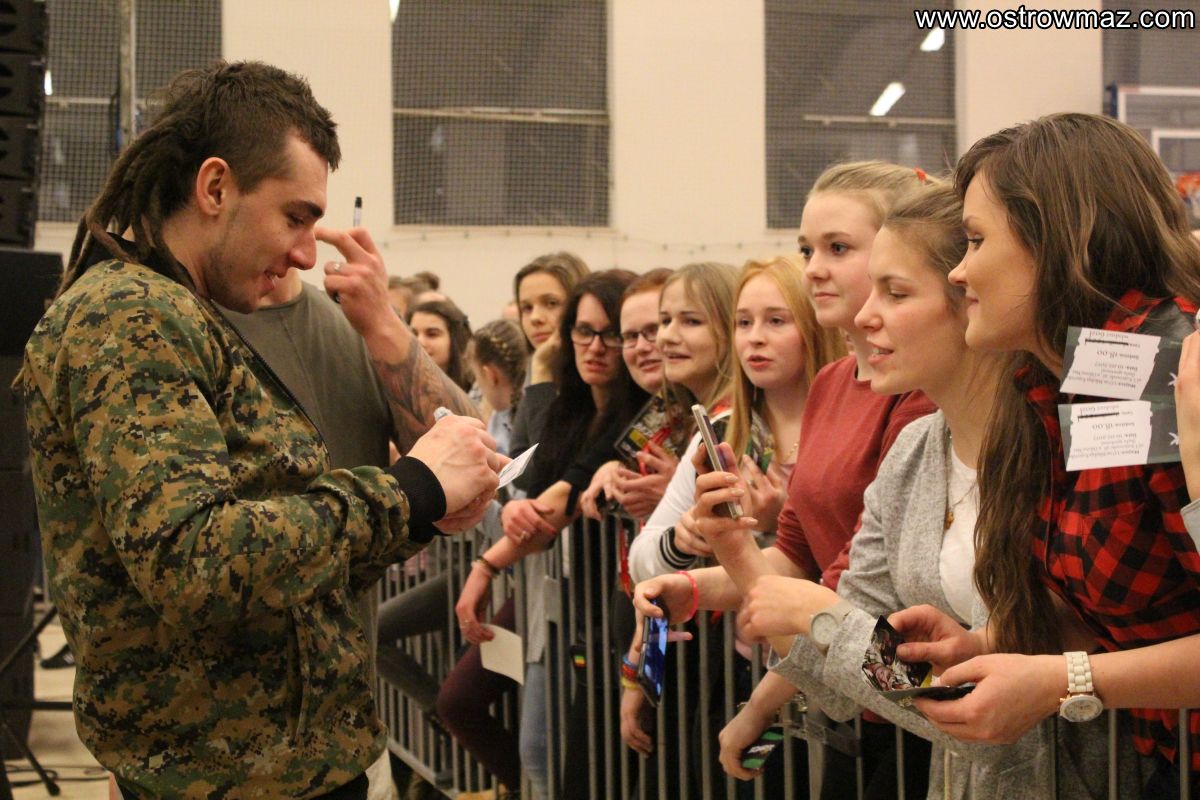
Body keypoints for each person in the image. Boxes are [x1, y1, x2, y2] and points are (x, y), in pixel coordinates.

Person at [20, 61, 501, 799]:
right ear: (215, 188)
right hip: (227, 776)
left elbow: (285, 565)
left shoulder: (186, 316)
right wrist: (408, 492)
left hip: (290, 766)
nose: (307, 253)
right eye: (295, 217)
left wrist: (418, 510)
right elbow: (194, 561)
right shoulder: (132, 315)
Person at [716, 184, 1132, 798]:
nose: (865, 317)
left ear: (969, 299)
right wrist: (739, 554)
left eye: (896, 293)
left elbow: (984, 713)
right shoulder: (915, 450)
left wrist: (824, 622)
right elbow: (854, 675)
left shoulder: (1062, 446)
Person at [884, 113, 1200, 796]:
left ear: (1052, 240)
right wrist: (985, 643)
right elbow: (1125, 595)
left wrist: (1067, 679)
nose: (960, 270)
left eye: (975, 240)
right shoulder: (1067, 379)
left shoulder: (1180, 373)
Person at [635, 161, 935, 799]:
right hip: (853, 686)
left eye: (838, 248)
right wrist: (698, 584)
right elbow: (799, 557)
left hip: (909, 696)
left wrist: (764, 699)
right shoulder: (833, 383)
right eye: (807, 250)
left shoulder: (916, 397)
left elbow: (848, 593)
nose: (814, 269)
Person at [455, 270, 648, 799]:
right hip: (574, 609)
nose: (597, 346)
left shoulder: (641, 414)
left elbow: (553, 501)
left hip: (618, 612)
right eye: (583, 332)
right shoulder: (575, 406)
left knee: (575, 762)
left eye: (615, 334)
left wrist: (488, 564)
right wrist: (542, 369)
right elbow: (534, 483)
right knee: (545, 752)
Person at [407, 298, 473, 392]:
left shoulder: (477, 390)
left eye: (432, 334)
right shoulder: (398, 387)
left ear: (455, 339)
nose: (419, 342)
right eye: (414, 334)